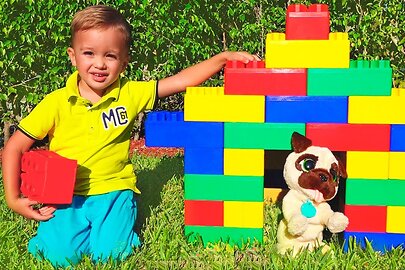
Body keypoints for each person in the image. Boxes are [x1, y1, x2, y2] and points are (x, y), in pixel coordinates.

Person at [1, 5, 258, 267]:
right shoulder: (55, 103)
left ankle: (116, 228)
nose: (99, 63)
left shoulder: (131, 93)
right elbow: (15, 148)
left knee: (110, 257)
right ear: (73, 56)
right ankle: (75, 234)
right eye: (88, 53)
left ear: (124, 62)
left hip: (114, 190)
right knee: (58, 258)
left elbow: (180, 81)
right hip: (64, 195)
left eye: (110, 56)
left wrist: (222, 59)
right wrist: (13, 199)